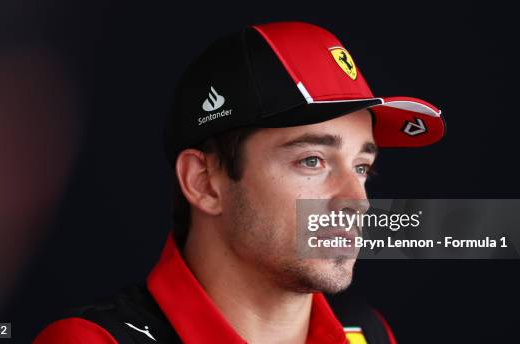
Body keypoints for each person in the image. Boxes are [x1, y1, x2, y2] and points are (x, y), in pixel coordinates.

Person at [34, 21, 445, 343]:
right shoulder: (91, 342)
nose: (357, 200)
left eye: (361, 167)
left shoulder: (367, 332)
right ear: (204, 182)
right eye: (312, 160)